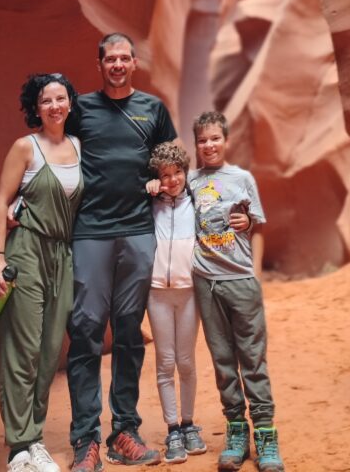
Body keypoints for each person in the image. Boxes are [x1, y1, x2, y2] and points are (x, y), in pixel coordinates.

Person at [67, 33, 177, 471]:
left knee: (130, 331)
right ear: (99, 65)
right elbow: (54, 156)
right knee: (86, 328)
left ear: (135, 62)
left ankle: (124, 431)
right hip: (91, 231)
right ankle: (85, 439)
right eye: (109, 58)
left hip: (137, 230)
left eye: (123, 58)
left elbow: (172, 164)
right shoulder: (81, 110)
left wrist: (166, 181)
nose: (117, 64)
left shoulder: (152, 109)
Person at [0, 73, 83, 472]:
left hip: (63, 256)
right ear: (36, 107)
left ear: (70, 104)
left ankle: (35, 439)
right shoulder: (24, 148)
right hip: (26, 251)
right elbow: (0, 205)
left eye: (61, 99)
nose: (55, 106)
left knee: (48, 353)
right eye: (46, 101)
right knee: (22, 350)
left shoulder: (80, 147)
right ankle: (19, 448)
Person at [189, 111, 285, 472]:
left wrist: (255, 276)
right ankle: (236, 432)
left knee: (253, 360)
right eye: (202, 140)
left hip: (241, 280)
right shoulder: (191, 181)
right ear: (195, 144)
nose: (209, 145)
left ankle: (265, 435)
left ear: (225, 141)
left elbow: (257, 224)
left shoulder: (242, 178)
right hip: (206, 282)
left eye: (215, 138)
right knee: (223, 362)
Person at [144, 142, 207, 464]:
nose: (171, 180)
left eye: (177, 172)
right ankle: (172, 430)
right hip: (157, 294)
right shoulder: (149, 205)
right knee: (165, 363)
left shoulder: (195, 203)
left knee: (186, 361)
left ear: (185, 171)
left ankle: (188, 423)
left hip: (188, 293)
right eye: (164, 175)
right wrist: (147, 190)